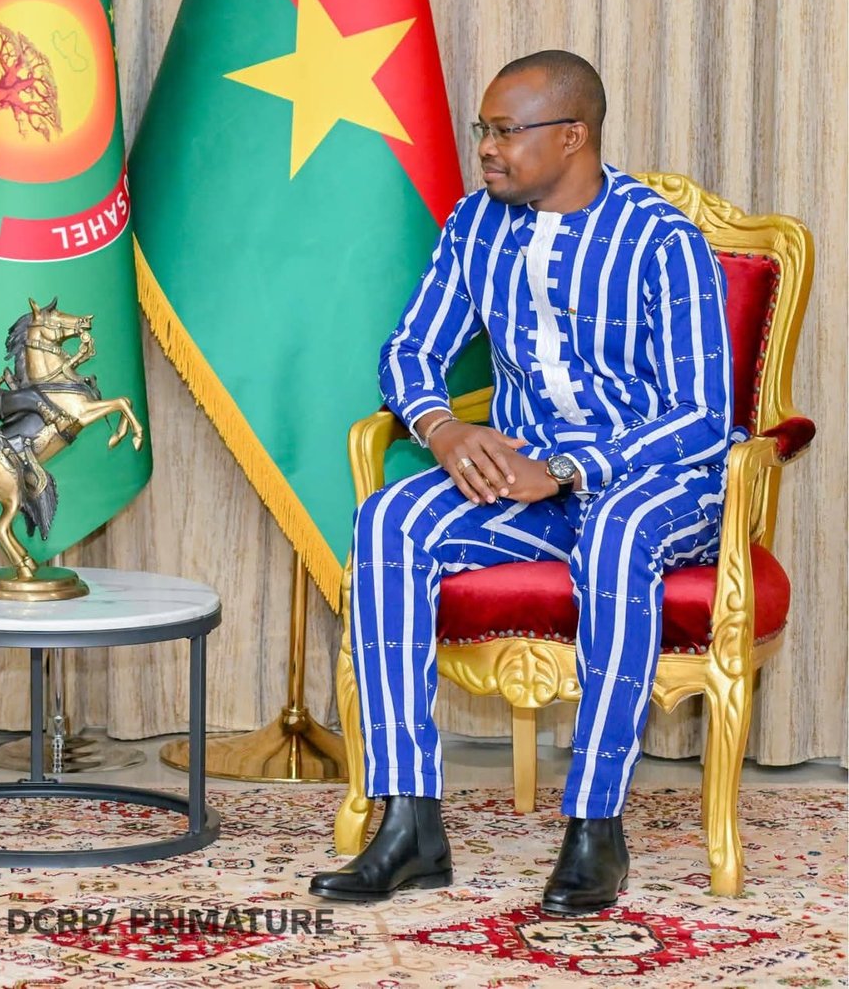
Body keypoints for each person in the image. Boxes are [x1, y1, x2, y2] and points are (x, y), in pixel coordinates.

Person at [307, 50, 732, 917]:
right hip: (526, 478)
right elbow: (410, 350)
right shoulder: (477, 223)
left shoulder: (663, 241)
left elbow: (702, 414)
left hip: (656, 481)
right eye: (484, 130)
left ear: (571, 136)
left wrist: (571, 469)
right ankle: (410, 825)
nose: (486, 149)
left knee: (616, 531)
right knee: (390, 519)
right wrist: (443, 427)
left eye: (505, 132)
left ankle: (595, 828)